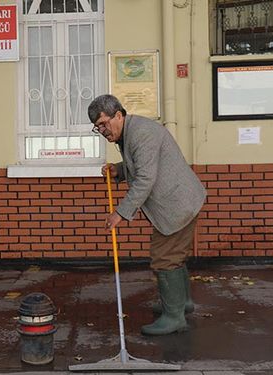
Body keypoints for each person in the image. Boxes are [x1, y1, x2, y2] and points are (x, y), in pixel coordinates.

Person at [88, 94, 206, 336]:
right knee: (175, 255)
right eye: (97, 127)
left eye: (103, 123)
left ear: (118, 115)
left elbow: (145, 179)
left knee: (164, 258)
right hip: (178, 201)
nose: (101, 130)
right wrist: (118, 170)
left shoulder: (141, 134)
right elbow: (142, 165)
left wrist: (120, 213)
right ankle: (181, 303)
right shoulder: (130, 131)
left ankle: (174, 317)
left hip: (177, 204)